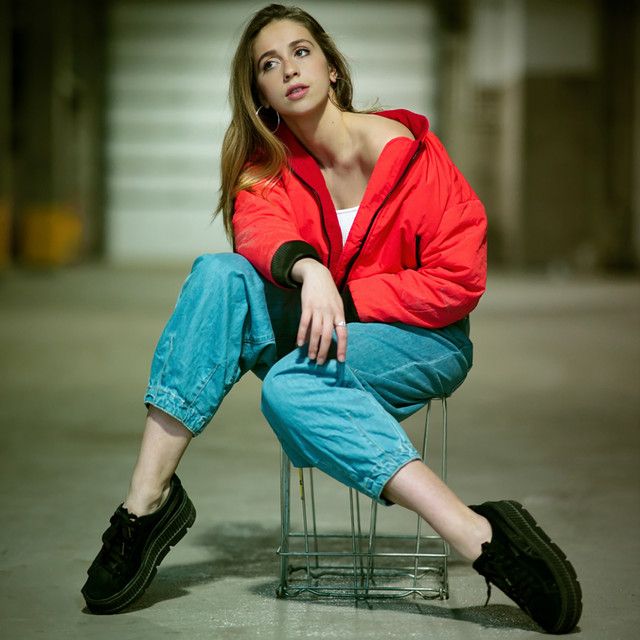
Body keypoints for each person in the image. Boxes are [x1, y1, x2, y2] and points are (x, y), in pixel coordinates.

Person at [82, 3, 582, 634]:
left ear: (332, 67)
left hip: (421, 337)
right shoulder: (266, 166)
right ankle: (146, 503)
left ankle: (476, 533)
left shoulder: (413, 157)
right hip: (319, 323)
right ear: (260, 93)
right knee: (218, 274)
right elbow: (258, 233)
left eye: (300, 52)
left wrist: (345, 296)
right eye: (269, 64)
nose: (289, 69)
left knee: (290, 388)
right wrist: (309, 269)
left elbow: (458, 280)